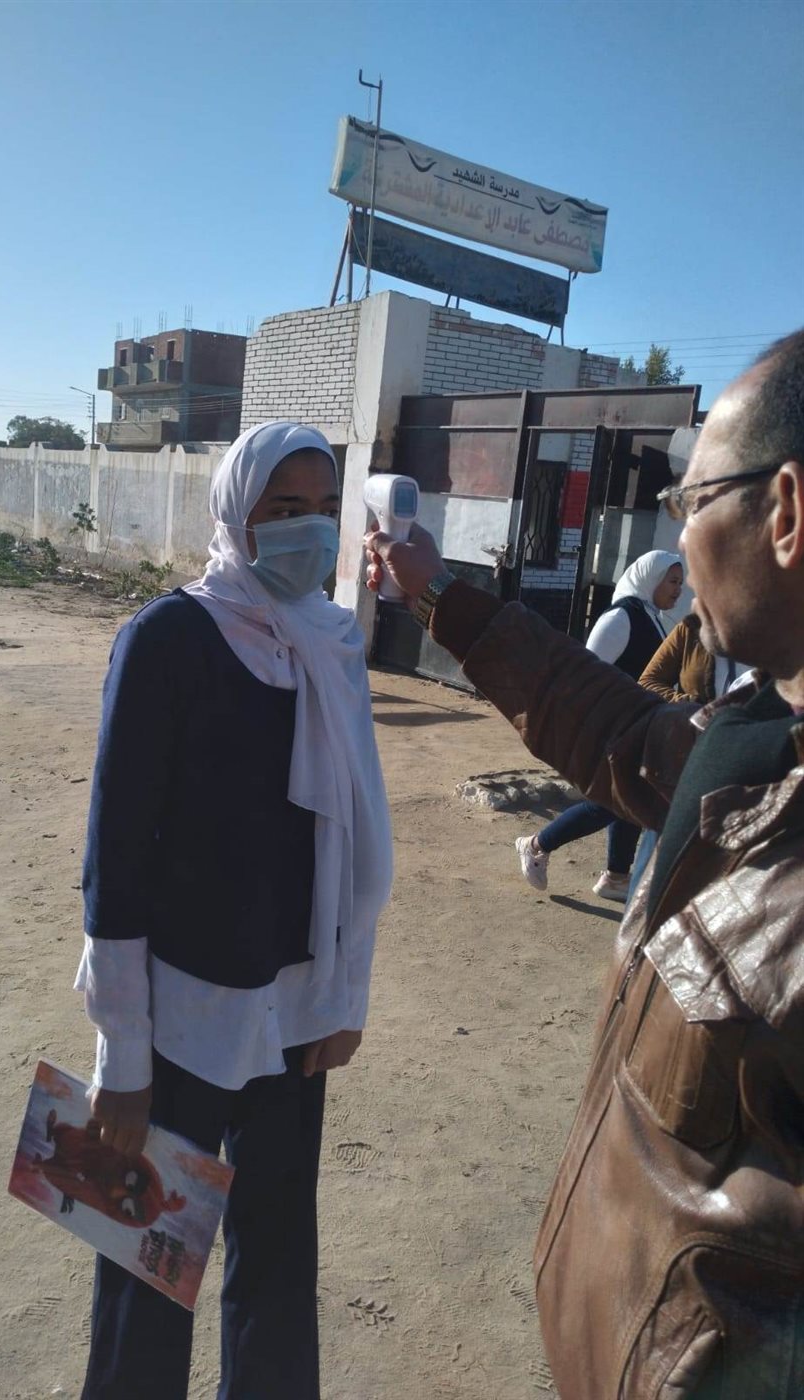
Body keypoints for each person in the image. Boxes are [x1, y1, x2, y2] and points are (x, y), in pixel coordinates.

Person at [364, 329, 804, 1399]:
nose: (679, 535)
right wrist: (440, 596)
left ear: (787, 511)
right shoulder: (760, 731)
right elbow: (619, 730)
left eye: (693, 500)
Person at [76, 420, 393, 1400]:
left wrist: (344, 998)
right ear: (236, 513)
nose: (310, 530)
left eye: (325, 509)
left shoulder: (332, 640)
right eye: (284, 509)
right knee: (149, 1263)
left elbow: (355, 841)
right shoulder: (169, 639)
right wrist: (121, 1058)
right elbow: (116, 860)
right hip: (182, 1021)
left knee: (278, 1256)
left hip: (297, 1018)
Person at [514, 551, 683, 902]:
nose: (678, 589)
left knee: (632, 800)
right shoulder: (621, 617)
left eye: (680, 583)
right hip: (612, 730)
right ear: (651, 577)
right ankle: (537, 845)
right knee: (613, 801)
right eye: (672, 581)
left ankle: (616, 876)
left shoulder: (652, 618)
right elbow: (586, 673)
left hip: (638, 730)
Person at [639, 609, 751, 703]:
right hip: (695, 722)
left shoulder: (759, 633)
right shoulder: (692, 627)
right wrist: (689, 703)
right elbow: (647, 682)